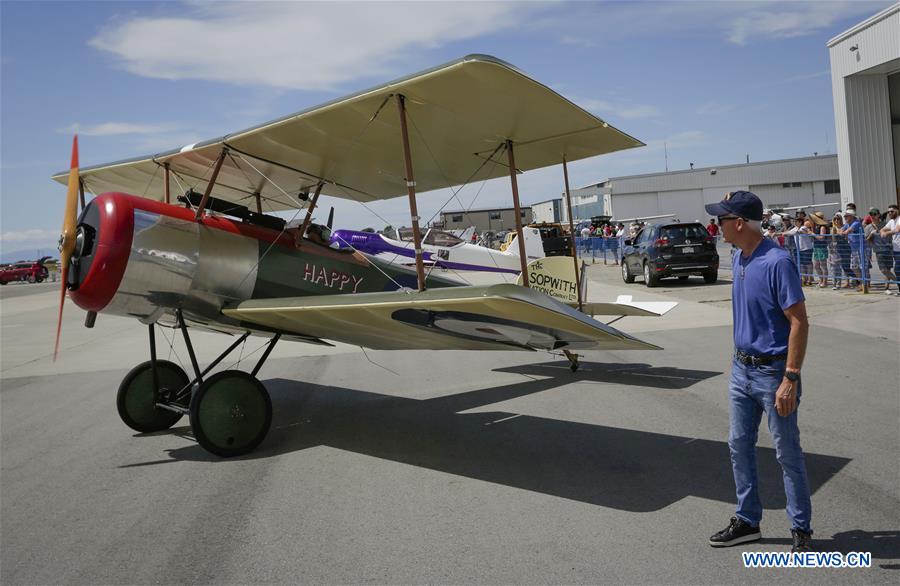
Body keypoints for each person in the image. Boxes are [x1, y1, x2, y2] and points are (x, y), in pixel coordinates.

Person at [704, 190, 812, 553]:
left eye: (721, 219)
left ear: (738, 223)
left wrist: (790, 378)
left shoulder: (777, 261)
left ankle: (801, 528)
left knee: (786, 452)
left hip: (774, 375)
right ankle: (748, 520)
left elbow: (798, 322)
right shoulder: (738, 257)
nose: (716, 225)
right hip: (741, 371)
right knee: (738, 445)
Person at [839, 209, 863, 290]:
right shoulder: (847, 224)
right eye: (844, 216)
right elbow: (841, 230)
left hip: (861, 248)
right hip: (854, 249)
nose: (845, 217)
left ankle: (864, 284)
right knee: (854, 267)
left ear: (852, 216)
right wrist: (841, 231)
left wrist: (843, 232)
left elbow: (848, 231)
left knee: (863, 267)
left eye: (846, 216)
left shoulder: (856, 223)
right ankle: (862, 283)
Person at [879, 204, 900, 295]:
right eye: (888, 212)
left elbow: (897, 230)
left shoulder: (899, 219)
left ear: (897, 211)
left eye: (892, 211)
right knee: (897, 270)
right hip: (896, 250)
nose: (890, 213)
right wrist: (883, 232)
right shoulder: (891, 221)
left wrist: (886, 233)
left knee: (897, 270)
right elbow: (882, 230)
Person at [809, 212, 829, 288]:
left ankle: (825, 282)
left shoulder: (822, 227)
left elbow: (821, 237)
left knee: (823, 265)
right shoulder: (816, 226)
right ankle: (821, 280)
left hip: (822, 247)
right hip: (816, 247)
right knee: (816, 265)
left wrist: (812, 234)